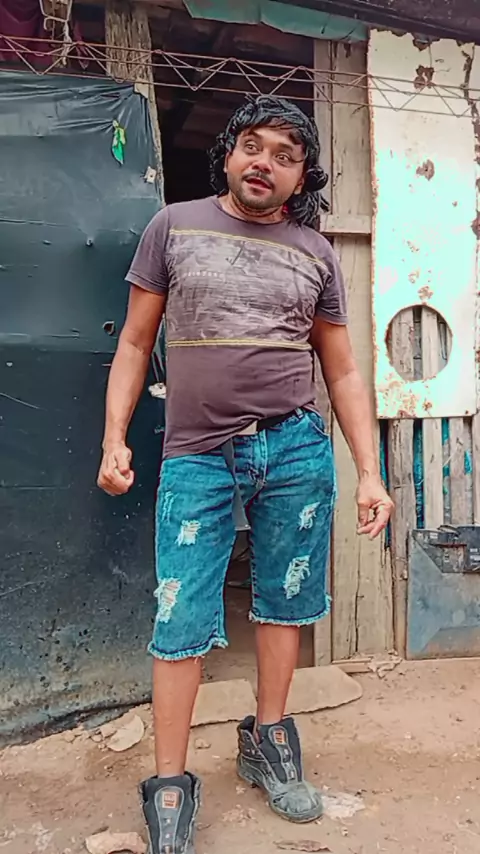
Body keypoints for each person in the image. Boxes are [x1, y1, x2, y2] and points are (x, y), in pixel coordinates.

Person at [97, 94, 393, 853]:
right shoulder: (173, 227)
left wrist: (369, 471)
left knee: (285, 602)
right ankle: (169, 782)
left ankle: (268, 737)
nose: (265, 163)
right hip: (198, 455)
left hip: (295, 450)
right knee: (181, 618)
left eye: (285, 156)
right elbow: (134, 343)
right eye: (253, 146)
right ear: (228, 155)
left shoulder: (315, 252)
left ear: (302, 176)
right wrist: (114, 438)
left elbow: (343, 370)